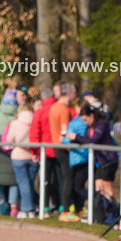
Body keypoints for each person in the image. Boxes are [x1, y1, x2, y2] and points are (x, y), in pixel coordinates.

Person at [49, 81, 78, 218]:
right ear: (69, 93)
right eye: (75, 92)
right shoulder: (64, 109)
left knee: (63, 179)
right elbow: (64, 131)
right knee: (68, 179)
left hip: (56, 146)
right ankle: (65, 209)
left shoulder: (54, 107)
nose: (76, 95)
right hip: (63, 148)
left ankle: (64, 207)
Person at [4, 103, 38, 218]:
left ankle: (26, 208)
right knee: (30, 184)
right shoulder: (35, 121)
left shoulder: (15, 123)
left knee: (23, 183)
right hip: (33, 156)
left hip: (18, 156)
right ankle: (31, 208)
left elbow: (9, 139)